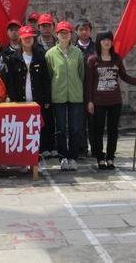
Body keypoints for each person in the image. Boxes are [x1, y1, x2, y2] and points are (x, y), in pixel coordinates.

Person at [86, 31, 136, 170]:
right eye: (103, 40)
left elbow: (124, 76)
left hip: (114, 101)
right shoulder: (92, 60)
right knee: (98, 130)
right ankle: (100, 157)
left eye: (109, 39)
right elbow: (89, 82)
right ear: (99, 42)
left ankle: (110, 157)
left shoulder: (116, 59)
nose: (106, 42)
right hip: (98, 101)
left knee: (113, 131)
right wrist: (89, 101)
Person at [45, 21, 85, 171]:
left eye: (66, 32)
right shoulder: (50, 54)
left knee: (75, 128)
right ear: (57, 35)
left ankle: (73, 157)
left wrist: (77, 88)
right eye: (61, 32)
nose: (64, 35)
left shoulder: (77, 52)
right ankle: (63, 157)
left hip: (75, 96)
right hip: (58, 96)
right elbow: (49, 75)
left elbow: (81, 74)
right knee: (60, 129)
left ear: (71, 34)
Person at [8, 26, 53, 157]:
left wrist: (47, 98)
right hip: (20, 99)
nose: (27, 40)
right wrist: (13, 98)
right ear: (20, 39)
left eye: (30, 37)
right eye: (25, 38)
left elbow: (46, 79)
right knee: (21, 126)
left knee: (38, 125)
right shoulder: (14, 58)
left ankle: (39, 151)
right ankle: (23, 152)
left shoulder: (40, 56)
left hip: (37, 98)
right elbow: (11, 81)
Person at [74, 19, 96, 158]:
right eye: (81, 29)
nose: (84, 32)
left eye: (86, 29)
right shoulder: (72, 48)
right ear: (76, 31)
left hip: (94, 89)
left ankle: (96, 148)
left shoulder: (97, 48)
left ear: (90, 31)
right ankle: (82, 148)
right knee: (79, 121)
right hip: (78, 89)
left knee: (94, 121)